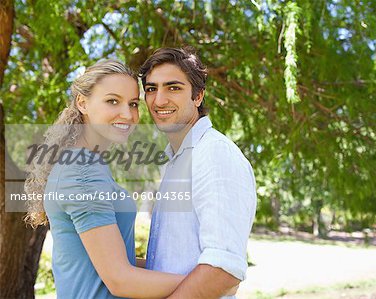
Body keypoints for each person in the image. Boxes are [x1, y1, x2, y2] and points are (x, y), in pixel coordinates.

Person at [24, 59, 186, 299]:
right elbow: (120, 280)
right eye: (112, 101)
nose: (128, 114)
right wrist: (208, 283)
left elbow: (116, 263)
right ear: (82, 103)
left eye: (133, 104)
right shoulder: (82, 171)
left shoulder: (87, 164)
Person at [139, 47, 257, 298]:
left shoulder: (214, 154)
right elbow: (169, 262)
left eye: (173, 87)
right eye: (151, 89)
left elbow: (223, 269)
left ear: (198, 96)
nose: (159, 100)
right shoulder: (176, 160)